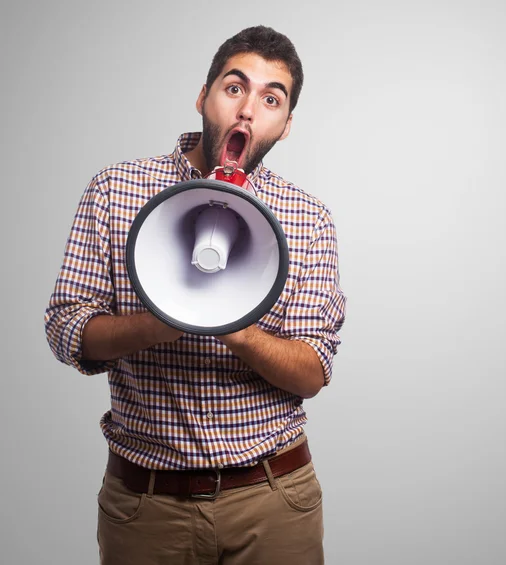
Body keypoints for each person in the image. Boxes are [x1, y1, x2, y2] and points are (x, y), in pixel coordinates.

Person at [44, 25, 346, 565]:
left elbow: (312, 370)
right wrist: (166, 315)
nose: (248, 110)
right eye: (235, 88)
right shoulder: (115, 190)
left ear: (286, 124)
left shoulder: (308, 219)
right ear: (203, 97)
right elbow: (67, 330)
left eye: (270, 99)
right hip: (146, 504)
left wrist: (231, 320)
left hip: (271, 499)